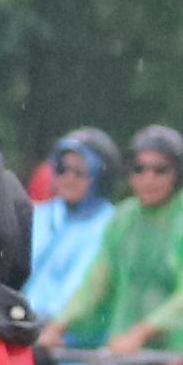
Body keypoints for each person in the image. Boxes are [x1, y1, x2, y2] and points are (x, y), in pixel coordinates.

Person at [58, 128, 183, 365]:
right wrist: (59, 325)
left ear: (177, 174)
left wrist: (141, 333)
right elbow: (96, 282)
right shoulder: (124, 220)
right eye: (139, 169)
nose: (148, 179)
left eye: (160, 170)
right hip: (127, 356)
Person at [21, 130, 116, 329]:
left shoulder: (110, 223)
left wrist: (50, 322)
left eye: (80, 172)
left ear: (101, 177)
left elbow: (83, 286)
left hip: (72, 342)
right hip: (24, 324)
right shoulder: (39, 215)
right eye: (62, 169)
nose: (68, 178)